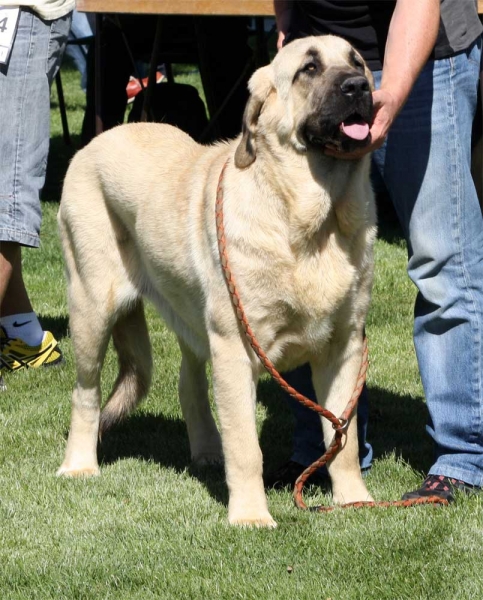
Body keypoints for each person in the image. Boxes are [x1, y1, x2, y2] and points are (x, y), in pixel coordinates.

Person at [266, 0, 483, 503]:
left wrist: (390, 94)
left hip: (425, 60)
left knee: (443, 259)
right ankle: (323, 450)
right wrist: (289, 31)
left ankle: (464, 456)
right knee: (304, 261)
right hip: (319, 60)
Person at [0, 1, 74, 390]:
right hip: (18, 16)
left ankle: (24, 338)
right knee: (8, 195)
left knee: (7, 191)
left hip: (21, 14)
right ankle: (24, 338)